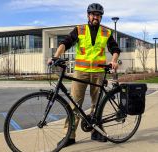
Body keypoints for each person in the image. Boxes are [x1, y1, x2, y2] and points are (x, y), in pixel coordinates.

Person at [47, 3, 121, 147]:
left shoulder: (106, 32)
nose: (96, 17)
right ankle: (69, 136)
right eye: (93, 14)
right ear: (88, 15)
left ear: (101, 17)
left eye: (98, 15)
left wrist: (114, 61)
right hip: (80, 72)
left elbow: (115, 48)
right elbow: (65, 43)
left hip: (99, 72)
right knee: (74, 103)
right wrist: (56, 56)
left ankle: (97, 131)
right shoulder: (80, 29)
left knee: (97, 104)